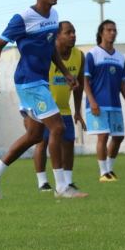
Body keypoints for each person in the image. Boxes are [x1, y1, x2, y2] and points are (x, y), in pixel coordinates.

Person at [0, 0, 86, 199]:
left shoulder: (54, 16)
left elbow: (51, 50)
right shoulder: (23, 18)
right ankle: (62, 187)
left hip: (40, 81)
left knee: (34, 135)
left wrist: (66, 72)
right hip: (29, 81)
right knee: (58, 128)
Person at [32, 21, 87, 196]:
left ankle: (68, 181)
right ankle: (43, 182)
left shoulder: (80, 56)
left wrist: (77, 110)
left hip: (64, 108)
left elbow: (80, 85)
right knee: (42, 142)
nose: (73, 35)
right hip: (45, 108)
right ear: (57, 36)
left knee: (69, 142)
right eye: (68, 32)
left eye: (74, 32)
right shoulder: (46, 56)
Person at [83, 20, 125, 182]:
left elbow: (122, 83)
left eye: (114, 30)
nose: (112, 33)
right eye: (109, 30)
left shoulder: (120, 57)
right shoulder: (93, 54)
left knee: (119, 137)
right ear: (101, 33)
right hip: (98, 104)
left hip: (115, 104)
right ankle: (103, 173)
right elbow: (85, 80)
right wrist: (92, 101)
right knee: (103, 136)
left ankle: (110, 170)